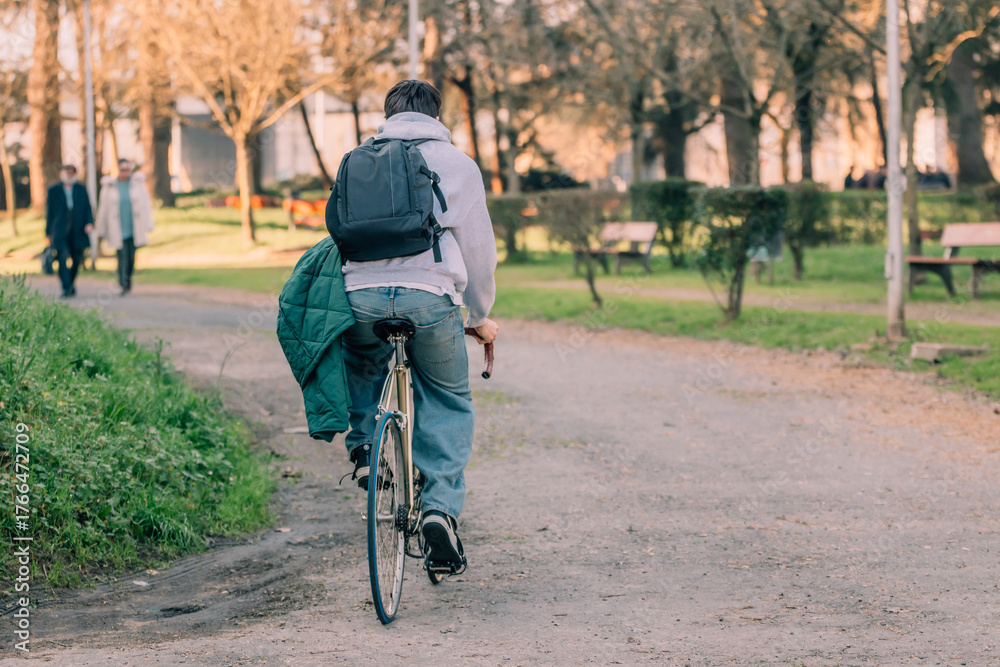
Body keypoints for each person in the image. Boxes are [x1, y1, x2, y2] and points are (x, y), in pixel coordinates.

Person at [337, 80, 499, 568]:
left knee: (362, 357)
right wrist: (481, 314)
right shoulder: (458, 165)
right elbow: (477, 249)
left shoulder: (357, 158)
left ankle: (366, 448)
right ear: (436, 115)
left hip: (359, 296)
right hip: (429, 296)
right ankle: (439, 512)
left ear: (387, 114)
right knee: (448, 396)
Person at [96, 159, 155, 295]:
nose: (125, 173)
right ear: (118, 170)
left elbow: (145, 205)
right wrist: (101, 228)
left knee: (131, 257)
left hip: (133, 227)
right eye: (122, 170)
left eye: (127, 170)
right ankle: (122, 283)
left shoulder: (137, 185)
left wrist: (148, 224)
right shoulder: (109, 187)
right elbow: (103, 209)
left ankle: (128, 280)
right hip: (117, 227)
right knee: (122, 257)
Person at [45, 165, 94, 298]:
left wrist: (89, 223)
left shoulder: (81, 189)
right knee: (61, 258)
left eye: (72, 173)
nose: (69, 175)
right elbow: (49, 213)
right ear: (62, 174)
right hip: (59, 230)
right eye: (67, 172)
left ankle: (71, 283)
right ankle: (66, 287)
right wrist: (48, 233)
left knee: (77, 258)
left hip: (78, 228)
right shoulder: (53, 190)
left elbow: (87, 208)